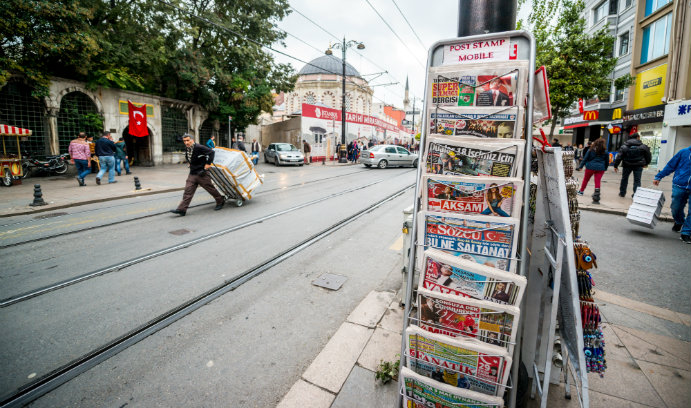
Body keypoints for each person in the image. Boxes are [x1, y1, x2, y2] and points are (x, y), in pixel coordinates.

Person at [170, 134, 225, 216]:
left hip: (202, 173)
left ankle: (220, 200)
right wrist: (189, 163)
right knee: (188, 191)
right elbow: (189, 156)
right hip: (192, 173)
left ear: (192, 140)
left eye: (188, 140)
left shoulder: (199, 147)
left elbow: (211, 152)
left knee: (210, 189)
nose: (186, 142)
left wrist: (208, 164)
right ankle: (182, 209)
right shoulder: (187, 148)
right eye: (184, 141)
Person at [653, 146, 691, 243]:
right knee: (676, 207)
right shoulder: (683, 152)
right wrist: (658, 176)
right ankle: (679, 221)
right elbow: (671, 166)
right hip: (680, 185)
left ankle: (686, 232)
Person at [613, 133, 652, 197]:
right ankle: (636, 194)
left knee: (624, 179)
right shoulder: (643, 146)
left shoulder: (624, 146)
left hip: (626, 165)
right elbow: (648, 156)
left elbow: (619, 156)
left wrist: (615, 165)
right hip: (638, 165)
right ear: (638, 137)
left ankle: (622, 193)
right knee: (637, 180)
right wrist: (646, 163)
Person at [576, 138, 609, 204]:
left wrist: (580, 167)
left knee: (586, 179)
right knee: (597, 181)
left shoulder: (590, 150)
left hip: (590, 167)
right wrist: (605, 168)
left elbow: (585, 159)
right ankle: (596, 194)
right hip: (600, 168)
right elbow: (607, 162)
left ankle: (581, 191)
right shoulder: (605, 151)